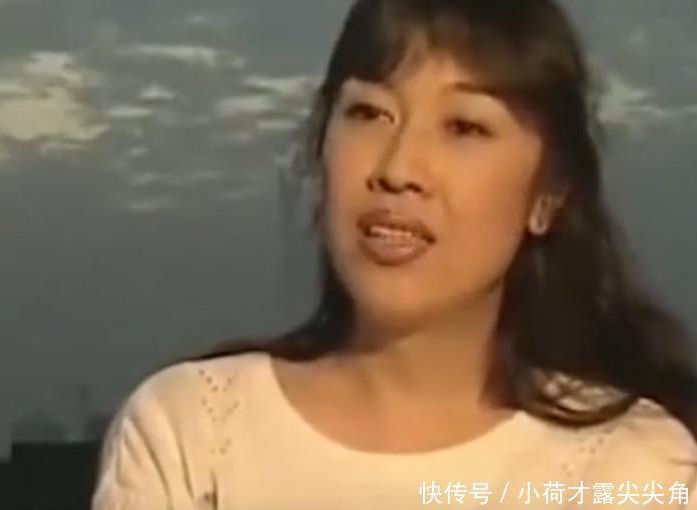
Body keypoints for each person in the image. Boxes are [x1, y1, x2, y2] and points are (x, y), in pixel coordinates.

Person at [91, 0, 697, 508]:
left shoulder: (632, 469)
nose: (398, 168)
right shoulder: (191, 436)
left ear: (548, 196)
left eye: (464, 127)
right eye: (368, 113)